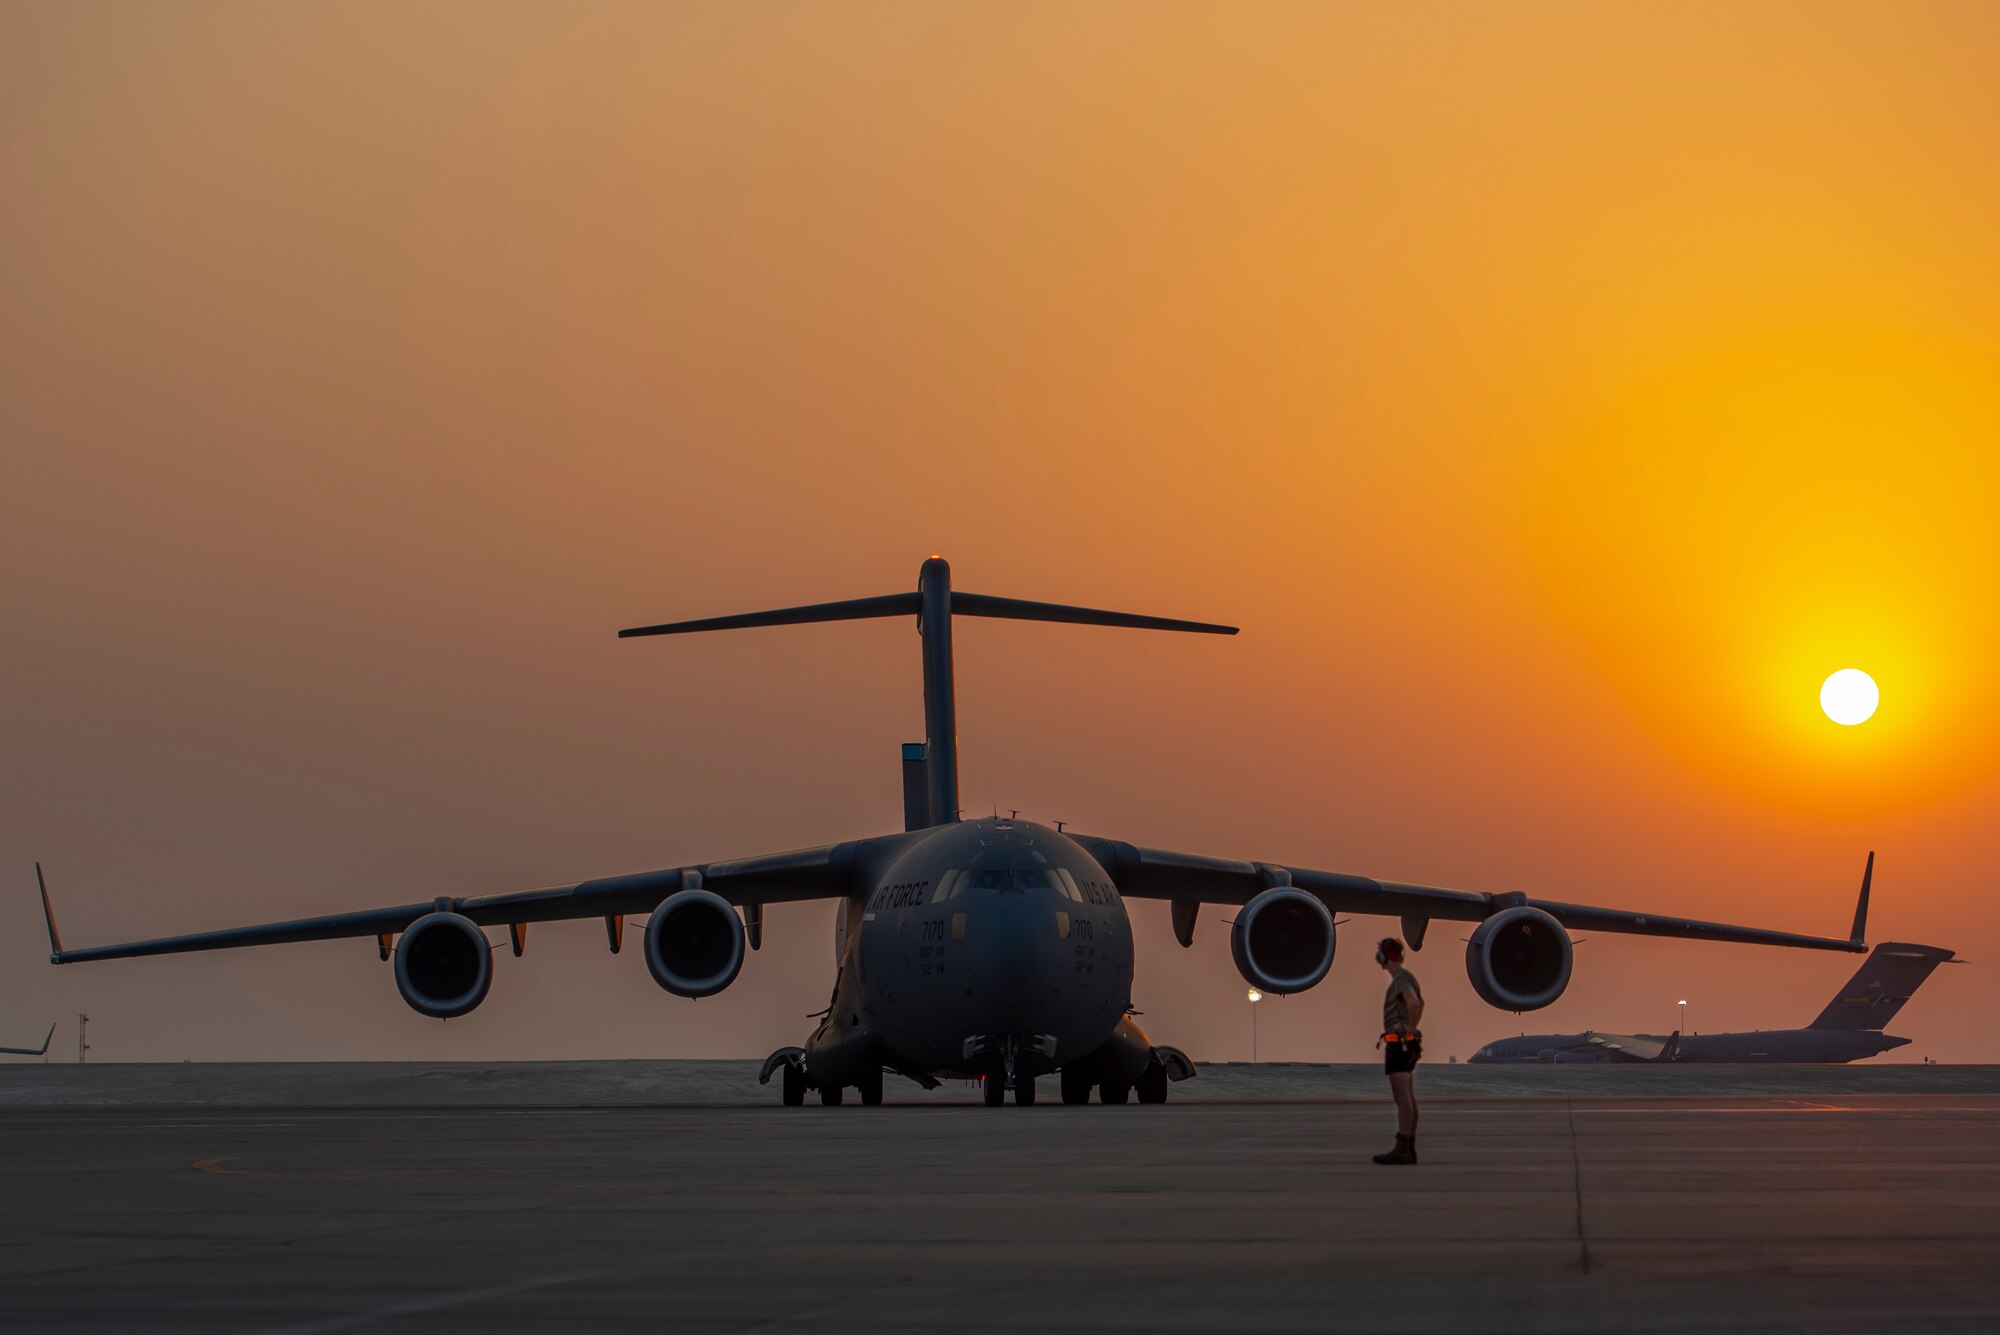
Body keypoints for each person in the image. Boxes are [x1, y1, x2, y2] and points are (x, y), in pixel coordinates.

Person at [1372, 937, 1423, 1165]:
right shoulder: (1406, 978)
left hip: (1398, 1045)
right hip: (1404, 1043)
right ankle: (1408, 1146)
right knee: (1408, 1096)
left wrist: (1408, 1030)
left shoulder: (1401, 979)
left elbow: (1413, 1003)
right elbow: (1420, 1003)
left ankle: (1403, 1148)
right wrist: (1412, 1030)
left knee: (1402, 1097)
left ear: (1383, 957)